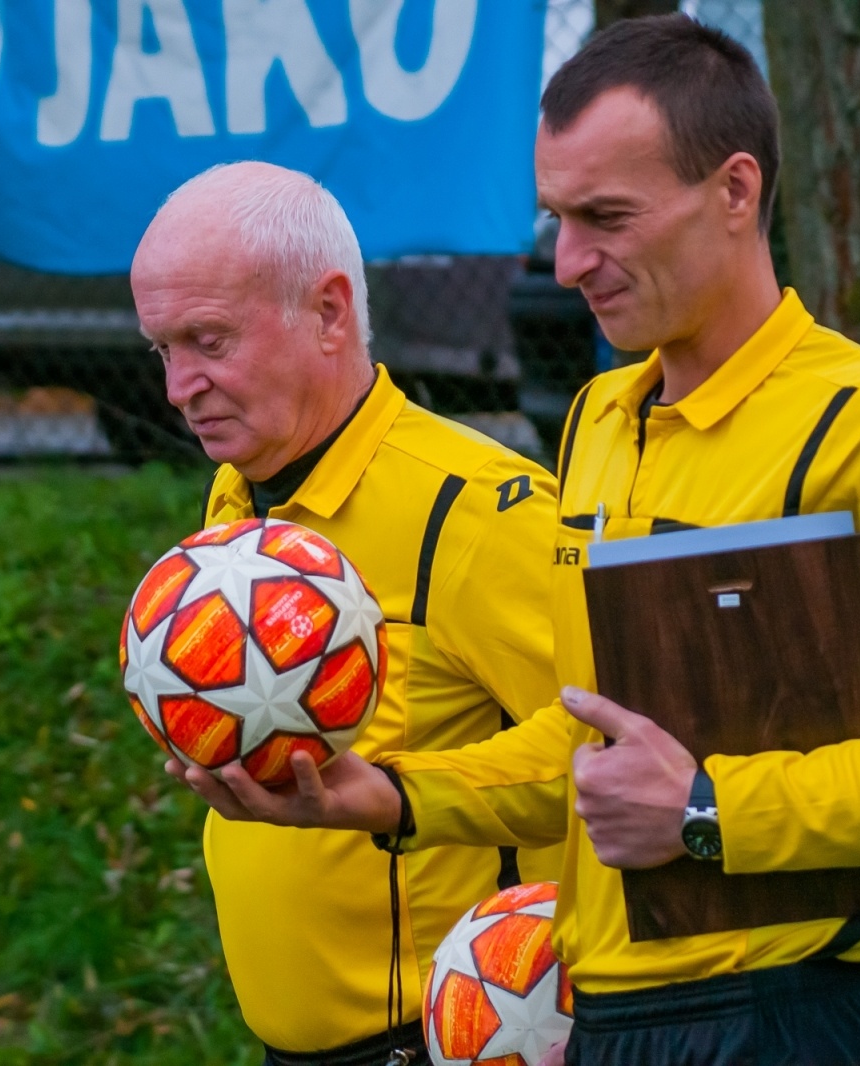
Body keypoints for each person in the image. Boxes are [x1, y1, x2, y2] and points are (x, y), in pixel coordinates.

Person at [176, 17, 860, 1066]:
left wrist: (708, 810)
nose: (566, 263)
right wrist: (399, 794)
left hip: (778, 1021)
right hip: (601, 1023)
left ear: (734, 192)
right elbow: (596, 744)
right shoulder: (600, 419)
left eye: (606, 218)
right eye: (555, 219)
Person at [130, 161, 565, 1065]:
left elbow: (624, 751)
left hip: (441, 1044)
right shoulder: (238, 501)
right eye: (162, 350)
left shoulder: (476, 512)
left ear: (329, 312)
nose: (178, 387)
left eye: (209, 340)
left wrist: (403, 798)